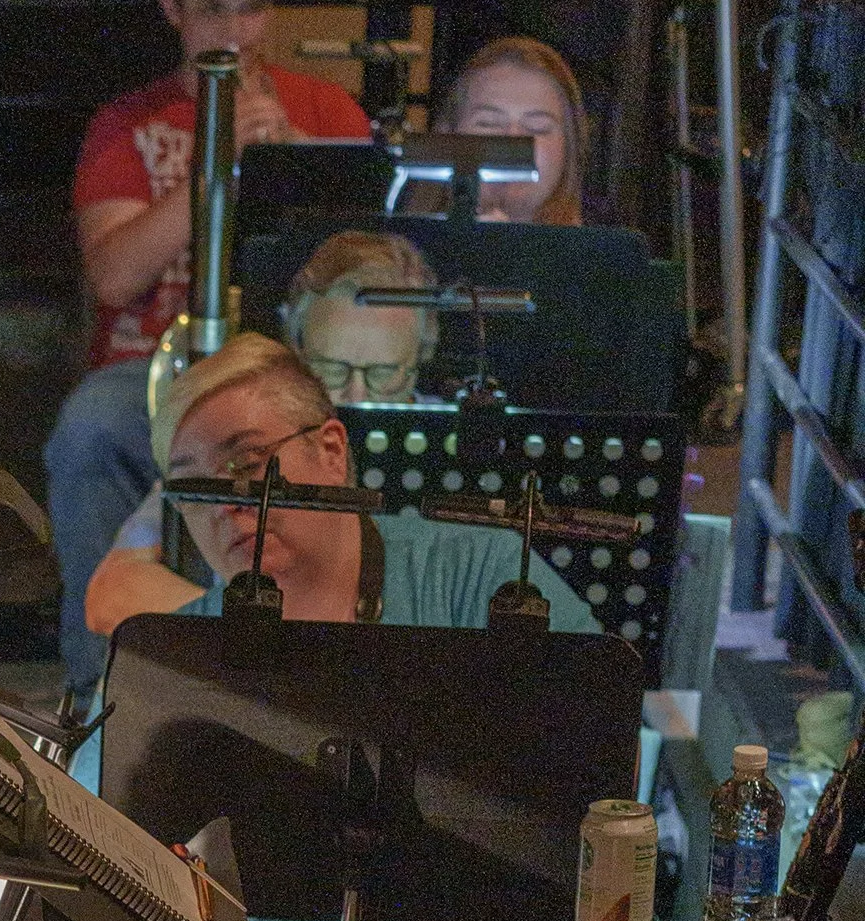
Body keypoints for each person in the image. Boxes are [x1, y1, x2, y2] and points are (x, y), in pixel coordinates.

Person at [55, 331, 624, 921]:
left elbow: (591, 791)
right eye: (197, 486)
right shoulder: (192, 642)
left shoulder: (483, 576)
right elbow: (92, 840)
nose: (231, 506)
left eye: (250, 464)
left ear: (332, 448)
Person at [47, 0, 373, 692]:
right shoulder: (125, 125)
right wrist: (216, 165)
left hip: (289, 372)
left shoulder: (326, 113)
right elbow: (114, 278)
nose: (234, 33)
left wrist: (289, 159)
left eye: (252, 11)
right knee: (89, 430)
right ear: (172, 8)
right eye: (213, 11)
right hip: (151, 375)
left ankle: (312, 680)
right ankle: (98, 686)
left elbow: (362, 269)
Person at [84, 232, 443, 641]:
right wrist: (261, 627)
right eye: (333, 370)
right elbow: (110, 594)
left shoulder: (453, 456)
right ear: (299, 350)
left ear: (420, 357)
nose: (356, 396)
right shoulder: (241, 436)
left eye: (383, 374)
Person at [431, 36, 586, 226]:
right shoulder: (397, 248)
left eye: (537, 127)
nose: (513, 139)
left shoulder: (607, 254)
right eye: (488, 123)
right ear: (449, 134)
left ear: (569, 147)